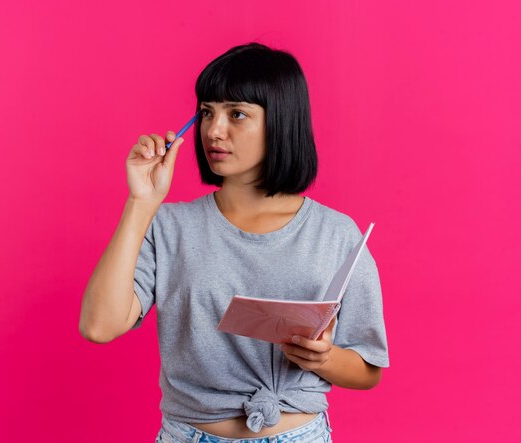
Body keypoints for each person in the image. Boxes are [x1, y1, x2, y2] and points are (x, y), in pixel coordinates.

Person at [79, 42, 389, 443]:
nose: (214, 130)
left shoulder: (336, 233)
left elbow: (369, 370)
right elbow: (98, 325)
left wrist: (325, 359)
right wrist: (141, 201)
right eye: (207, 112)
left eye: (236, 114)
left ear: (281, 121)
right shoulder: (171, 225)